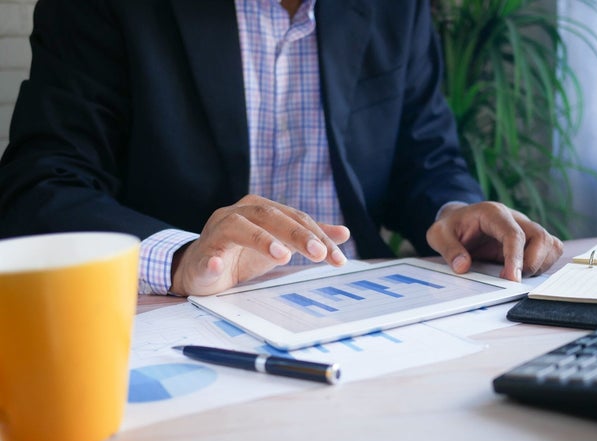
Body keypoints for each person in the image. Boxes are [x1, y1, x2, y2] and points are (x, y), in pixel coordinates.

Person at [0, 0, 563, 296]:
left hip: (361, 304)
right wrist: (182, 258)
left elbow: (425, 154)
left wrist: (454, 211)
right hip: (183, 314)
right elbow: (40, 186)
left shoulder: (396, 5)